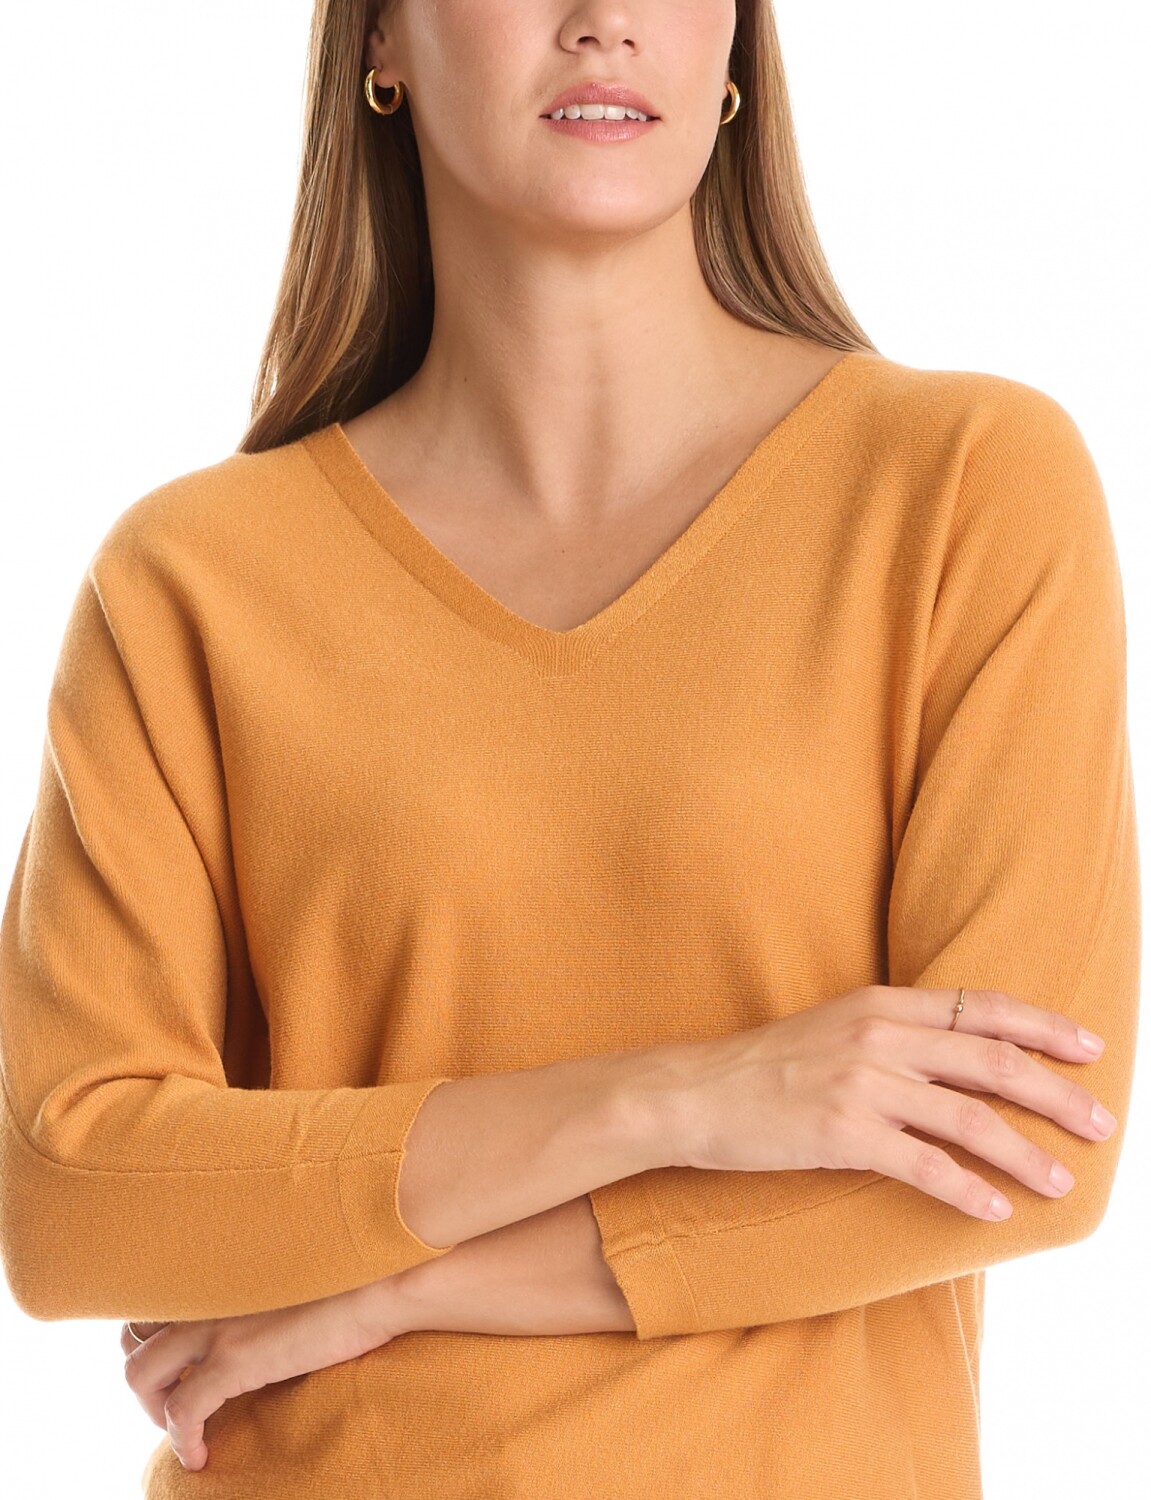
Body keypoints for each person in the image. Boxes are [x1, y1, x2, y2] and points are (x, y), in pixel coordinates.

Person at [0, 2, 1138, 1496]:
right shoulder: (190, 580)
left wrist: (391, 1287)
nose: (604, 20)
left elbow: (1019, 1149)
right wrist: (675, 1098)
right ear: (380, 42)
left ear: (734, 50)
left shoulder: (963, 490)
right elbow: (75, 1195)